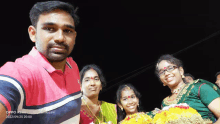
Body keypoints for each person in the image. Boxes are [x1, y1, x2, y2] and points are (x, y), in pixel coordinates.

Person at [0, 1, 81, 123]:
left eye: (67, 31)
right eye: (50, 29)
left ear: (74, 37)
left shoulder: (72, 65)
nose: (60, 37)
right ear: (33, 34)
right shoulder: (22, 73)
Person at [155, 54, 220, 123]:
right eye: (162, 72)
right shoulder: (165, 103)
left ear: (181, 71)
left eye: (170, 68)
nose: (166, 73)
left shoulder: (199, 88)